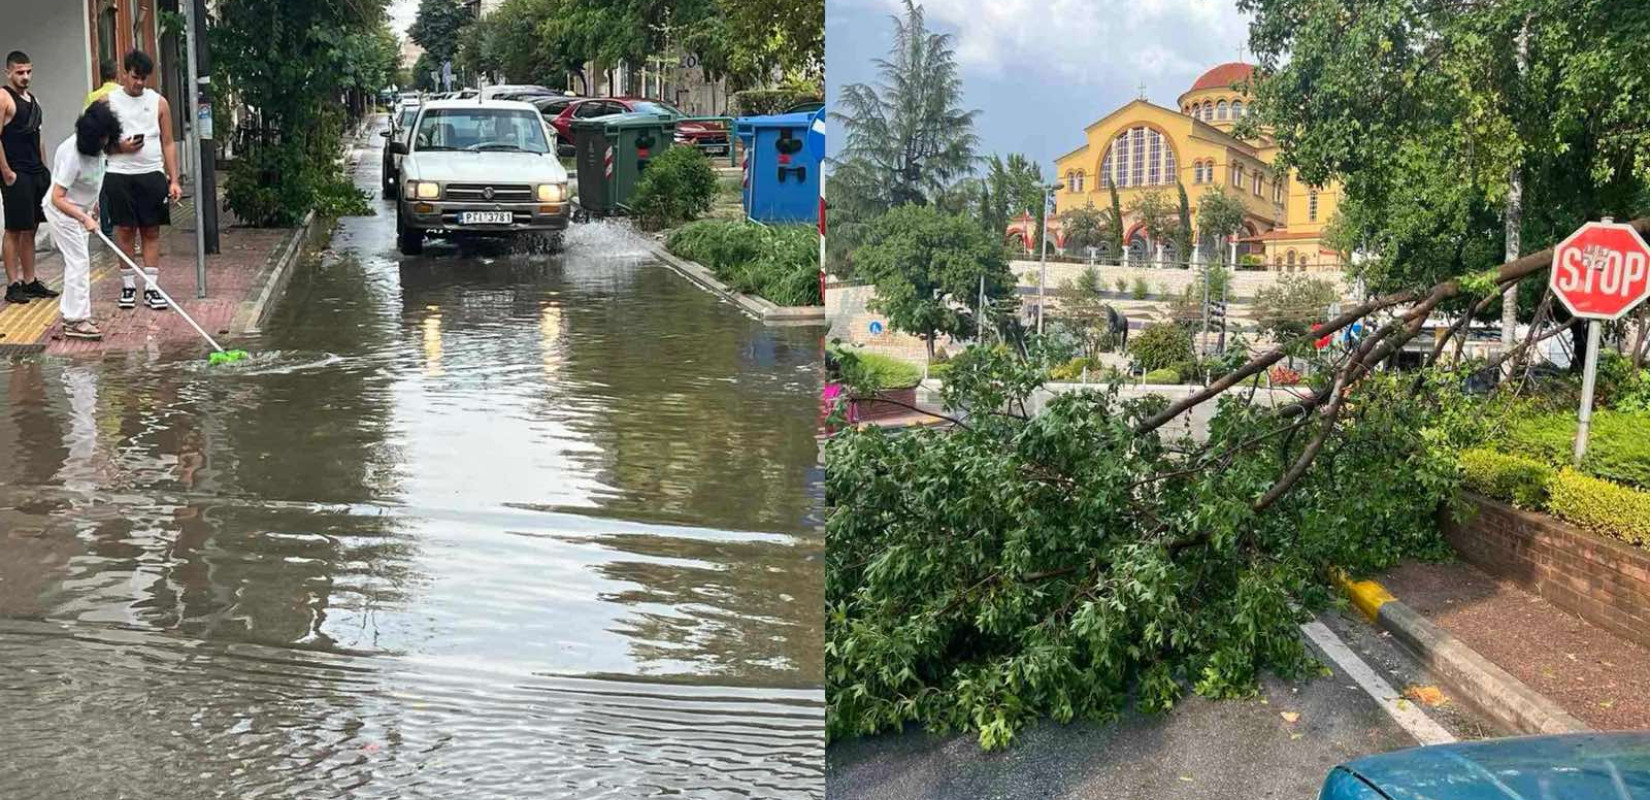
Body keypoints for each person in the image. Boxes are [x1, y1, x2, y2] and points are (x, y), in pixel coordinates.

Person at [103, 50, 180, 311]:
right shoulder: (108, 102)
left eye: (143, 78)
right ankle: (128, 285)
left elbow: (168, 142)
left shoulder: (159, 102)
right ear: (124, 73)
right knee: (124, 230)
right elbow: (96, 141)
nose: (139, 83)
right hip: (119, 174)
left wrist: (174, 179)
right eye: (135, 77)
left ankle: (151, 287)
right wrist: (120, 147)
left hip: (151, 174)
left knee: (151, 229)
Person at [44, 101, 124, 340]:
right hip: (63, 212)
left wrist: (93, 205)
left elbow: (94, 178)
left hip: (81, 210)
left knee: (77, 262)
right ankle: (76, 320)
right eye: (102, 138)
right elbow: (58, 197)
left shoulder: (98, 146)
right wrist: (83, 217)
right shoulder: (72, 154)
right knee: (78, 262)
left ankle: (72, 314)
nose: (105, 142)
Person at [0, 50, 59, 305]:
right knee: (14, 228)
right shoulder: (3, 97)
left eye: (28, 72)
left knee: (32, 226)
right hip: (16, 172)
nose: (25, 76)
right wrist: (6, 172)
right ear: (8, 72)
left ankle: (30, 280)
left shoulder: (34, 101)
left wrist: (44, 169)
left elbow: (39, 137)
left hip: (36, 172)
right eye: (20, 72)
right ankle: (13, 284)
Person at [83, 60, 120, 238]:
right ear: (117, 74)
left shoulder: (92, 97)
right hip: (122, 151)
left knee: (104, 192)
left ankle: (107, 230)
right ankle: (124, 228)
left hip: (102, 152)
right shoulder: (123, 94)